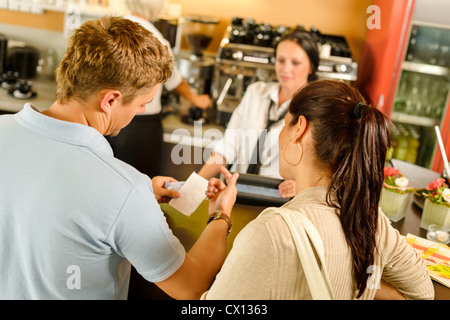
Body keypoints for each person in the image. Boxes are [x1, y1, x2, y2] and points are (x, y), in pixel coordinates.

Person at [0, 16, 238, 300]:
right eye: (141, 104)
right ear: (110, 100)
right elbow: (190, 285)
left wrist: (138, 195)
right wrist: (220, 215)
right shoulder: (124, 190)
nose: (139, 112)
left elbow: (39, 196)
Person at [203, 80, 434, 300]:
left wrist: (219, 216)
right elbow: (423, 293)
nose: (281, 136)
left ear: (299, 130)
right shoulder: (372, 222)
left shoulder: (269, 232)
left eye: (285, 125)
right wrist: (358, 280)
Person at [199, 29, 319, 198]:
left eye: (295, 63)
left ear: (311, 67)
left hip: (277, 199)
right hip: (236, 191)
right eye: (281, 60)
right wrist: (195, 184)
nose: (285, 69)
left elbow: (322, 168)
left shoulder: (316, 109)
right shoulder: (255, 92)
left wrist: (302, 183)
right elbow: (227, 146)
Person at [109, 0, 211, 179]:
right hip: (141, 129)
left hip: (108, 118)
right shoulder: (156, 39)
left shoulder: (111, 29)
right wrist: (197, 100)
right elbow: (174, 82)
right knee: (143, 184)